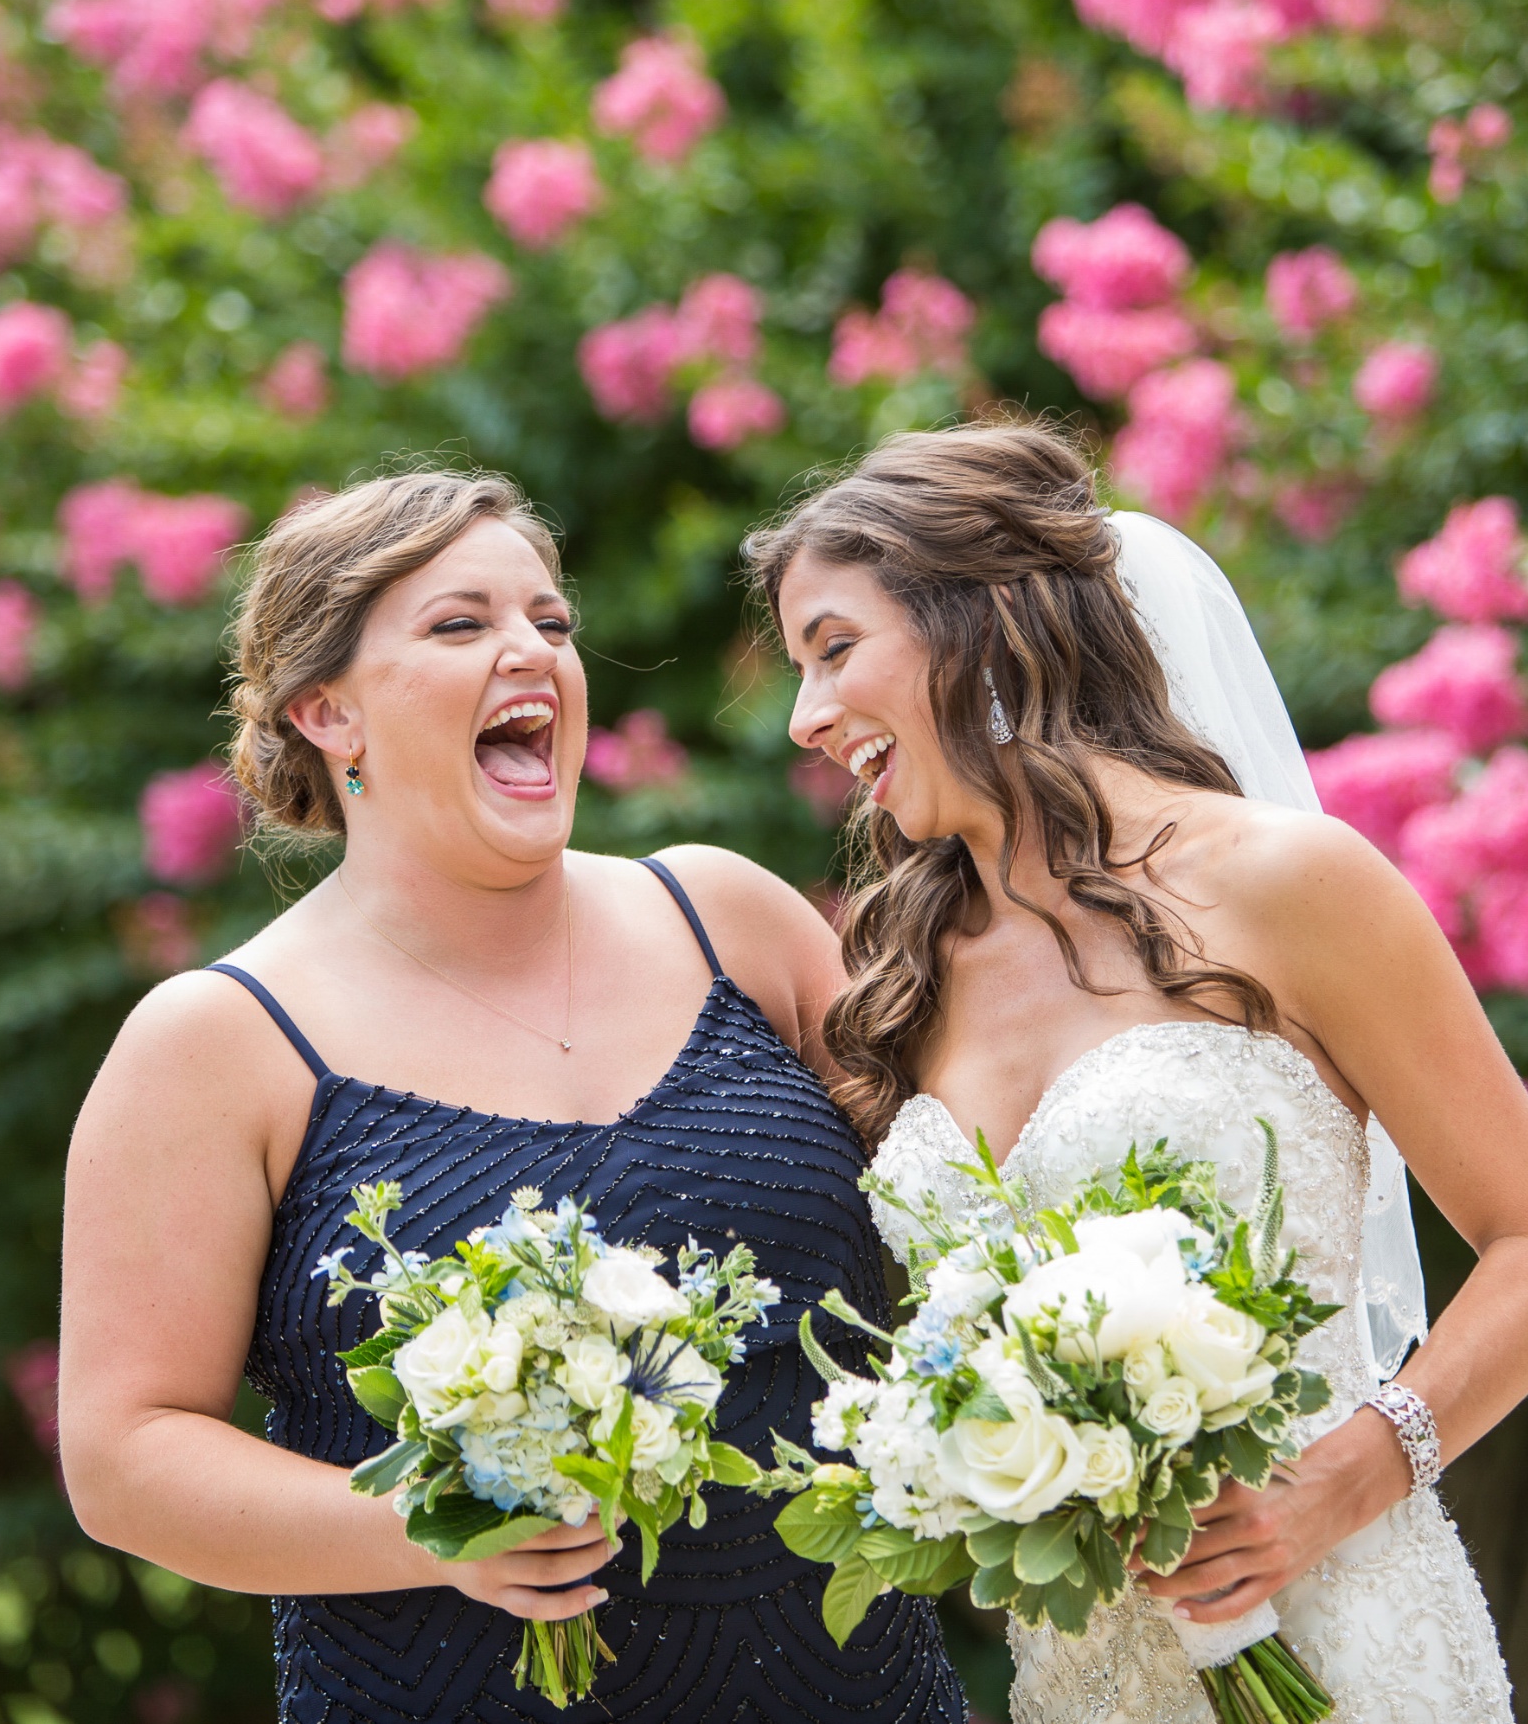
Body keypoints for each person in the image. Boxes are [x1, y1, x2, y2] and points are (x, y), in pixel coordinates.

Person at [59, 469, 963, 1723]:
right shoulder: (219, 1042)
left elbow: (958, 1211)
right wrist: (429, 1525)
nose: (530, 650)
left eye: (550, 620)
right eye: (458, 624)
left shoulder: (729, 919)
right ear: (328, 710)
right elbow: (124, 1456)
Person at [748, 424, 1528, 1723]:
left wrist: (1340, 1479)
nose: (807, 718)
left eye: (832, 649)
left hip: (1341, 1635)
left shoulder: (1288, 885)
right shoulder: (897, 970)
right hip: (1088, 1681)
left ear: (980, 619)